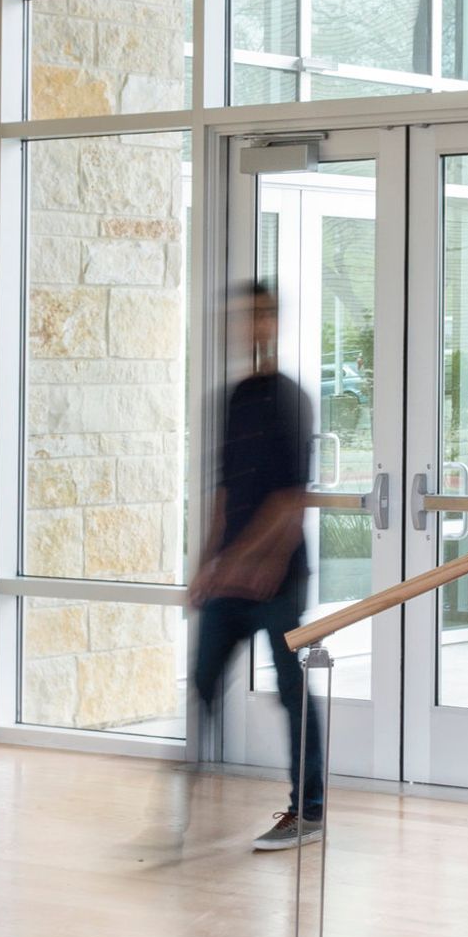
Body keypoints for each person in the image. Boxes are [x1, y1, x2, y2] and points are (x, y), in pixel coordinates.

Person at [188, 280, 322, 849]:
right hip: (230, 576)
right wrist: (207, 564)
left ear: (273, 323)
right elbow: (223, 492)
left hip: (277, 576)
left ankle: (308, 811)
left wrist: (256, 558)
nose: (249, 328)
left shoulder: (292, 398)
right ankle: (190, 800)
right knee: (202, 680)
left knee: (291, 689)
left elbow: (293, 496)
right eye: (240, 318)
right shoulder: (233, 398)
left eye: (258, 317)